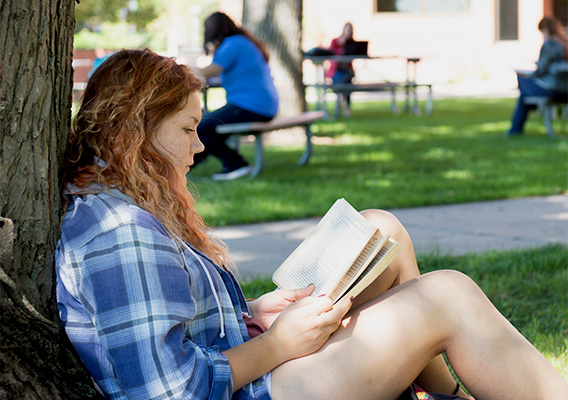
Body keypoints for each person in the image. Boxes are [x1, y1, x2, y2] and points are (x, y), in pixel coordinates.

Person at [56, 48, 568, 400]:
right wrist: (278, 344)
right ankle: (452, 386)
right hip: (258, 390)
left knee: (380, 229)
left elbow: (170, 318)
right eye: (188, 129)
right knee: (448, 294)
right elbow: (165, 391)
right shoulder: (118, 231)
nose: (200, 145)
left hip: (252, 369)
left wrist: (255, 308)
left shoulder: (122, 203)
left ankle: (438, 388)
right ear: (136, 132)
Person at [191, 12, 279, 180]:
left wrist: (176, 69)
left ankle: (236, 164)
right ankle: (184, 169)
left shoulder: (233, 44)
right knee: (207, 130)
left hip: (251, 106)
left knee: (201, 126)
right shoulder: (242, 42)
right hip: (259, 105)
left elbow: (206, 72)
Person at [507, 16, 568, 136]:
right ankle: (517, 127)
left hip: (553, 90)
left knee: (521, 79)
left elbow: (541, 70)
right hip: (565, 90)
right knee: (524, 97)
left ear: (545, 29)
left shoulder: (550, 45)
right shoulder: (565, 43)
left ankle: (515, 130)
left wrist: (528, 74)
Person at [326, 22, 356, 117]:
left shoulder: (352, 43)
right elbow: (330, 53)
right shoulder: (335, 42)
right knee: (346, 80)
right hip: (337, 71)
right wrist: (341, 47)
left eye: (350, 30)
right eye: (347, 30)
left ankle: (343, 102)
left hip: (347, 71)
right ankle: (344, 103)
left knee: (349, 80)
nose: (348, 32)